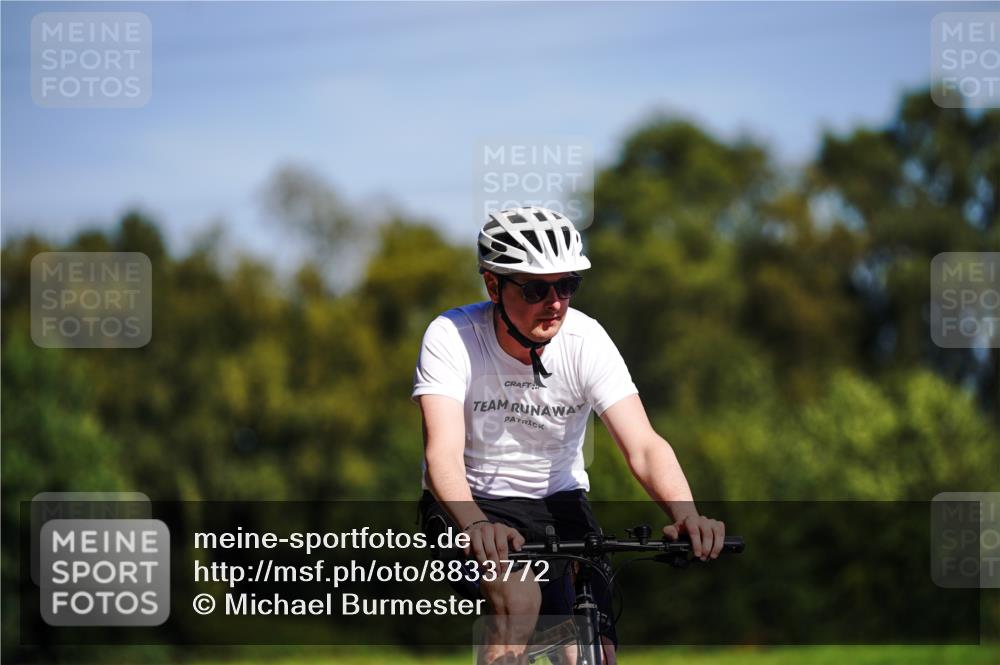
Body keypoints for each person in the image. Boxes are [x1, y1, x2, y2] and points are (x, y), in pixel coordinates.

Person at [413, 206, 725, 665]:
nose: (555, 301)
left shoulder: (586, 340)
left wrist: (687, 514)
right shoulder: (452, 336)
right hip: (471, 502)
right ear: (493, 285)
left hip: (559, 503)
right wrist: (476, 524)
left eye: (567, 285)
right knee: (518, 600)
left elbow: (643, 444)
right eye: (538, 288)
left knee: (595, 647)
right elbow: (440, 454)